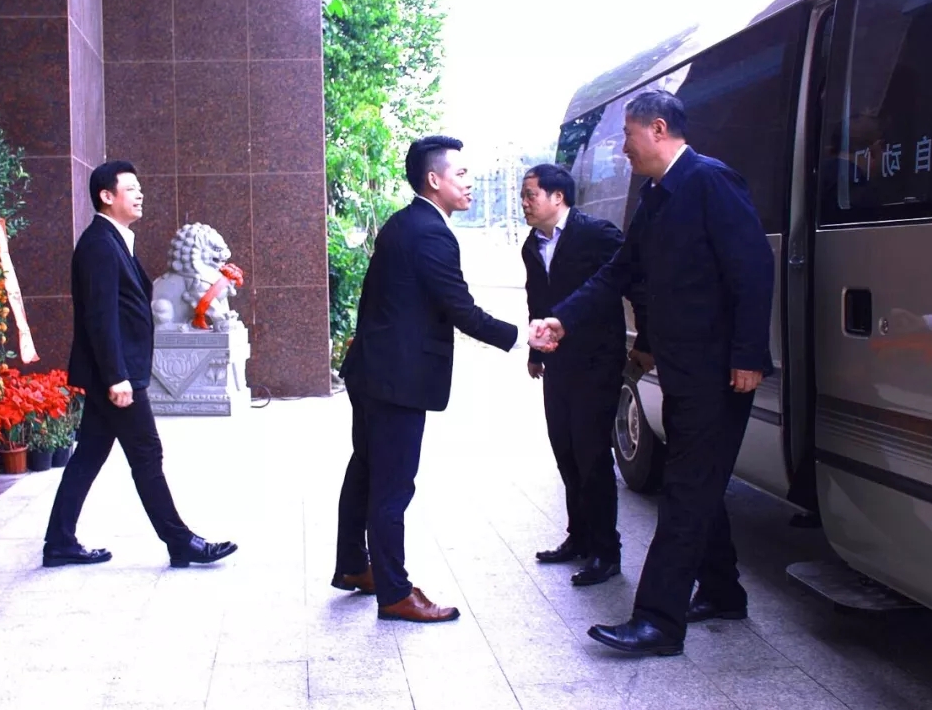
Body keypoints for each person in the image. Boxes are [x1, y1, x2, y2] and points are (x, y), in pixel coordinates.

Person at [533, 89, 775, 655]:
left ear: (659, 129)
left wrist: (747, 354)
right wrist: (562, 320)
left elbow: (753, 268)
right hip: (681, 368)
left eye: (628, 135)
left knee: (685, 491)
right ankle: (723, 591)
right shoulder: (656, 196)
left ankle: (659, 623)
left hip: (718, 371)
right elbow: (618, 272)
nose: (623, 149)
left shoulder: (711, 181)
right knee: (698, 485)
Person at [332, 135, 553, 623]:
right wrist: (524, 338)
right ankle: (394, 591)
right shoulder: (430, 233)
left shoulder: (403, 223)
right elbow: (459, 308)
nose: (470, 182)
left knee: (366, 471)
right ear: (434, 180)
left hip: (373, 371)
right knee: (391, 485)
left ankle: (353, 566)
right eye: (461, 174)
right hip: (395, 379)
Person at [43, 160, 238, 569]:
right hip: (117, 375)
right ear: (106, 196)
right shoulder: (99, 244)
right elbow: (100, 317)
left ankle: (59, 541)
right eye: (130, 188)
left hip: (117, 371)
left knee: (89, 455)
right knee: (147, 453)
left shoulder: (114, 240)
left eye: (139, 187)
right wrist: (117, 376)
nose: (140, 194)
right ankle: (180, 542)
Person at [520, 163, 632, 586]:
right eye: (523, 196)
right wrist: (535, 352)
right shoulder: (533, 245)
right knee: (565, 449)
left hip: (597, 360)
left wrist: (647, 340)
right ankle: (579, 536)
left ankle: (606, 551)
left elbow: (632, 282)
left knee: (592, 453)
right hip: (557, 361)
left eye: (531, 194)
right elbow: (537, 299)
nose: (524, 203)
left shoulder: (596, 234)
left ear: (558, 197)